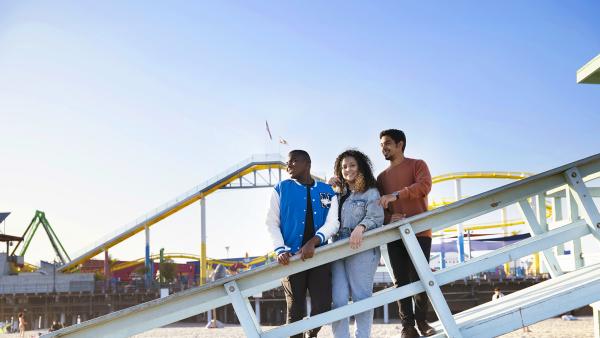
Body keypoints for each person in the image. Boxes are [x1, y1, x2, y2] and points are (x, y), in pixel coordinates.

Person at [265, 150, 340, 338]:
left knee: (323, 305)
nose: (288, 166)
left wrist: (314, 242)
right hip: (290, 259)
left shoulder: (327, 191)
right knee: (295, 308)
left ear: (307, 163)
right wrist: (280, 249)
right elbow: (271, 222)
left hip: (319, 256)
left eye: (293, 161)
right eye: (287, 163)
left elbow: (333, 223)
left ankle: (310, 333)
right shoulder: (281, 188)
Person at [376, 129, 435, 338]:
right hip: (395, 235)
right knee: (401, 281)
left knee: (420, 277)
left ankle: (422, 321)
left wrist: (397, 195)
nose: (383, 147)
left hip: (420, 232)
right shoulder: (381, 177)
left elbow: (424, 186)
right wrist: (386, 219)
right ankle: (407, 327)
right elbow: (377, 208)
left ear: (400, 144)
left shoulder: (418, 164)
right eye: (381, 144)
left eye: (387, 143)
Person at [329, 150, 384, 338]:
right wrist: (327, 187)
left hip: (362, 249)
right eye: (344, 166)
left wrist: (361, 227)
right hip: (336, 248)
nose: (348, 169)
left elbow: (376, 216)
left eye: (352, 165)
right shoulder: (336, 194)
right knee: (338, 299)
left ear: (360, 167)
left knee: (362, 297)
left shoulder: (371, 191)